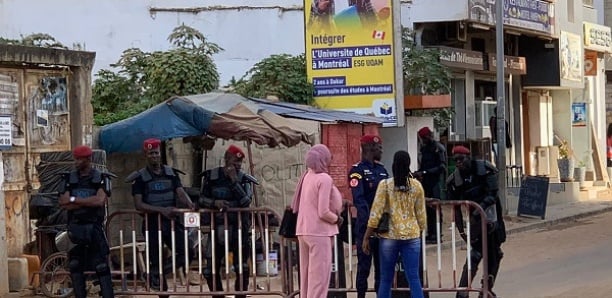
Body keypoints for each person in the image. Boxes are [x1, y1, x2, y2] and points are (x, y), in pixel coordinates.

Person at [128, 138, 196, 292]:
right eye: (151, 153)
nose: (154, 156)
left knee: (187, 252)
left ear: (160, 153)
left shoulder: (170, 173)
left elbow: (180, 192)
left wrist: (190, 203)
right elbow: (138, 205)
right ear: (146, 154)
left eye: (156, 153)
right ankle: (158, 279)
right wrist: (160, 210)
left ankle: (154, 274)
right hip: (152, 224)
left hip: (171, 223)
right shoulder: (139, 178)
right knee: (156, 260)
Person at [362, 150, 426, 298]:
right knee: (414, 278)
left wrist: (366, 236)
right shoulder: (417, 186)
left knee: (386, 279)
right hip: (412, 236)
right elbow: (421, 215)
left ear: (393, 165)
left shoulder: (385, 185)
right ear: (409, 164)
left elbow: (375, 214)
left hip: (389, 237)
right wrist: (419, 232)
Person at [446, 146, 506, 298]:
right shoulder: (455, 180)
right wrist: (461, 231)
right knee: (475, 254)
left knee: (495, 253)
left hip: (492, 215)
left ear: (469, 157)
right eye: (456, 160)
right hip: (474, 221)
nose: (459, 163)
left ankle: (487, 287)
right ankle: (463, 291)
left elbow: (493, 194)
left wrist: (480, 210)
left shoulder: (484, 169)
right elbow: (456, 207)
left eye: (461, 159)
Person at [58, 145, 115, 298]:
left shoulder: (100, 178)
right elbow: (63, 202)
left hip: (94, 228)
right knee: (75, 266)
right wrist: (85, 201)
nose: (75, 162)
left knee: (102, 267)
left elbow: (99, 201)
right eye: (75, 158)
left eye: (79, 159)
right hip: (75, 228)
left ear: (88, 159)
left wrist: (74, 200)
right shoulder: (69, 178)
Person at [199, 144, 254, 298]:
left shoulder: (243, 179)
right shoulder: (211, 176)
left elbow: (245, 202)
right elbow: (201, 199)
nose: (236, 165)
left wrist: (234, 182)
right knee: (211, 269)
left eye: (239, 163)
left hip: (239, 229)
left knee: (242, 267)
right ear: (226, 159)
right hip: (216, 229)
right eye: (234, 162)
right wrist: (214, 203)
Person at [291, 144, 344, 298]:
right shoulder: (324, 179)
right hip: (319, 233)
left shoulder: (307, 175)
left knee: (306, 280)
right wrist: (337, 219)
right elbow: (323, 212)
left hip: (303, 231)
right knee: (319, 280)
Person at [349, 134, 389, 298]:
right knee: (364, 267)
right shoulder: (357, 171)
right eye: (379, 148)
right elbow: (359, 200)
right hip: (365, 227)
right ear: (369, 149)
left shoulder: (382, 170)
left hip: (383, 228)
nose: (381, 151)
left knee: (382, 268)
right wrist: (369, 225)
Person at [414, 126, 447, 244]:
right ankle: (430, 233)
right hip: (426, 183)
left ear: (428, 136)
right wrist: (418, 173)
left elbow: (442, 167)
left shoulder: (438, 148)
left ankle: (437, 234)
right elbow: (423, 166)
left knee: (436, 209)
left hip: (435, 183)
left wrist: (425, 172)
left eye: (423, 138)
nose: (422, 140)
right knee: (427, 209)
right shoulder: (424, 149)